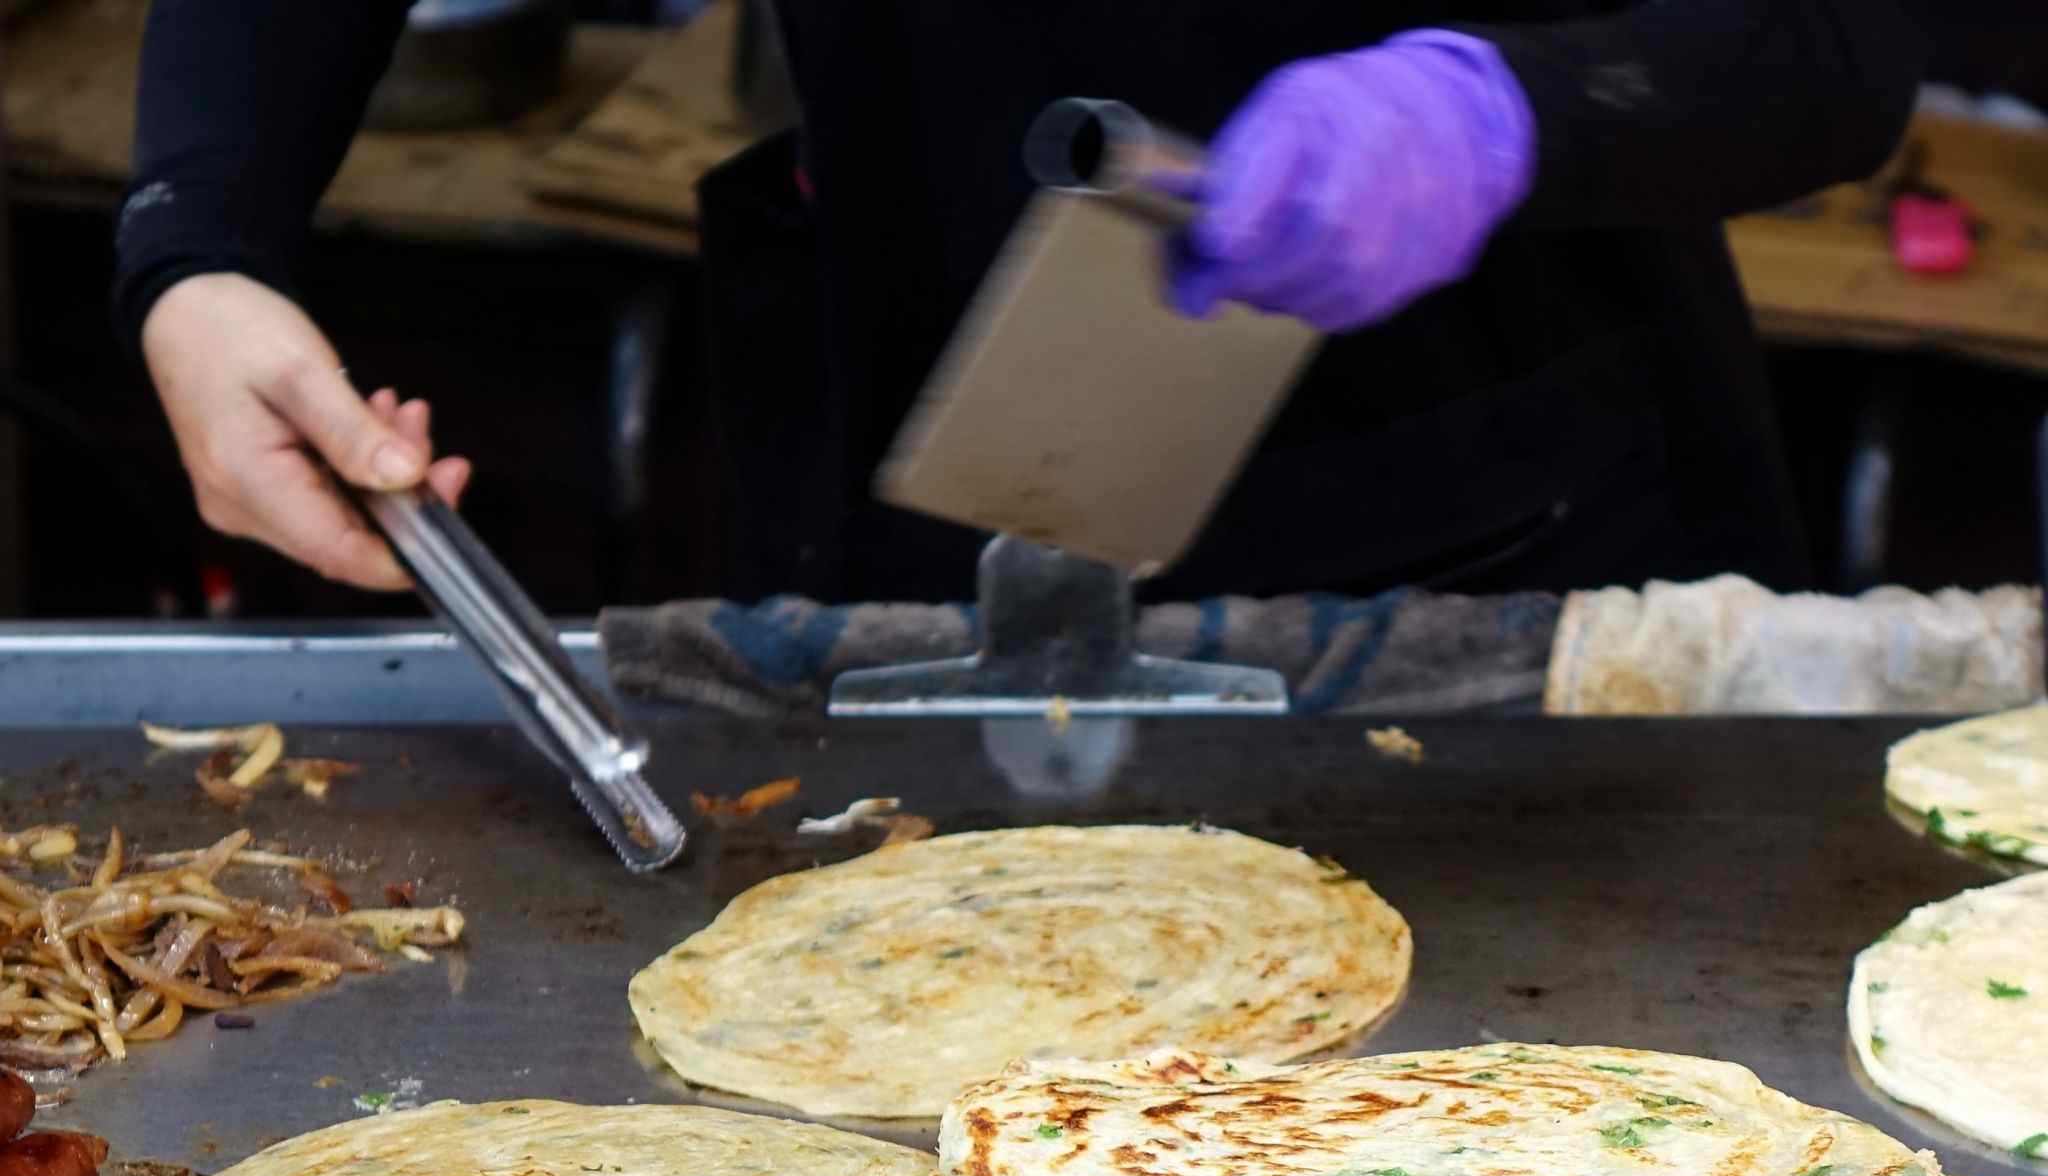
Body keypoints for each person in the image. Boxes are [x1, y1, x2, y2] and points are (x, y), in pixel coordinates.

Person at [117, 2, 1924, 604]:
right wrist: (201, 237)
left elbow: (1845, 47)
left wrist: (1508, 107)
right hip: (917, 466)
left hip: (1507, 533)